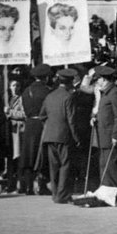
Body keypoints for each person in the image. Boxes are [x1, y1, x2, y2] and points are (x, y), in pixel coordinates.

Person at [40, 68, 80, 203]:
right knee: (66, 165)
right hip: (64, 136)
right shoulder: (69, 97)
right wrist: (76, 138)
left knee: (54, 166)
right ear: (70, 82)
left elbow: (42, 115)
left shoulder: (50, 96)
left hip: (50, 135)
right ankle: (63, 195)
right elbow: (72, 120)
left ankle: (56, 193)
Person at [92, 64, 117, 200]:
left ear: (104, 79)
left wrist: (116, 135)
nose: (97, 82)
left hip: (110, 136)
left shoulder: (114, 93)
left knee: (112, 167)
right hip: (102, 135)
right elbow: (104, 112)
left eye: (98, 79)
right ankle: (108, 194)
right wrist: (95, 118)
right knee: (104, 166)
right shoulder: (105, 94)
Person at [15, 65, 51, 195]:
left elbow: (24, 109)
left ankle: (27, 185)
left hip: (29, 124)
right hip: (42, 124)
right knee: (41, 154)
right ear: (46, 77)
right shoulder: (48, 91)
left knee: (28, 155)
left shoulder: (26, 91)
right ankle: (41, 184)